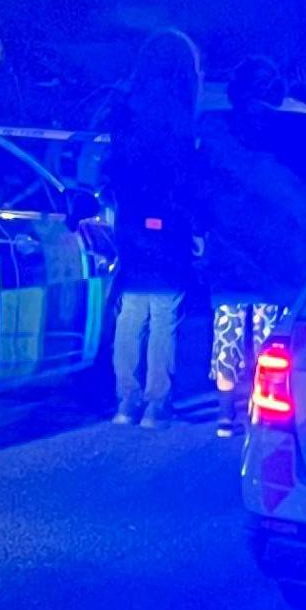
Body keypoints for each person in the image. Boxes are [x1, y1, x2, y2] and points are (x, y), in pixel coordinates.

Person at [204, 56, 306, 435]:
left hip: (230, 248)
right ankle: (257, 407)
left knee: (228, 328)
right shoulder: (294, 130)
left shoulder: (219, 129)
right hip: (273, 252)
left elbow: (206, 189)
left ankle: (223, 413)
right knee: (267, 332)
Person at [91, 30, 207, 426]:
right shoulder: (179, 112)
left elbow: (110, 161)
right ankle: (158, 402)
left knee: (131, 308)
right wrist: (194, 226)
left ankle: (126, 399)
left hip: (130, 215)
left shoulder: (127, 105)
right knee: (164, 309)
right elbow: (186, 176)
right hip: (168, 217)